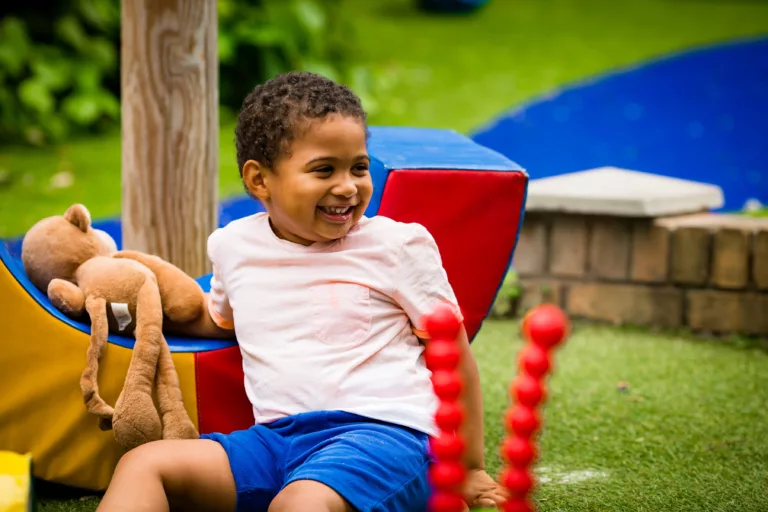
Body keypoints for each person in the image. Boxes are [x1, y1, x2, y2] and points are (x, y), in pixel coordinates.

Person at [97, 71, 505, 512]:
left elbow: (451, 350)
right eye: (324, 169)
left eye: (359, 167)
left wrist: (469, 466)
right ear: (259, 181)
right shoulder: (234, 247)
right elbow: (219, 321)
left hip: (386, 435)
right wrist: (134, 309)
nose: (348, 186)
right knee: (145, 463)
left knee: (299, 503)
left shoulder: (396, 246)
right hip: (278, 441)